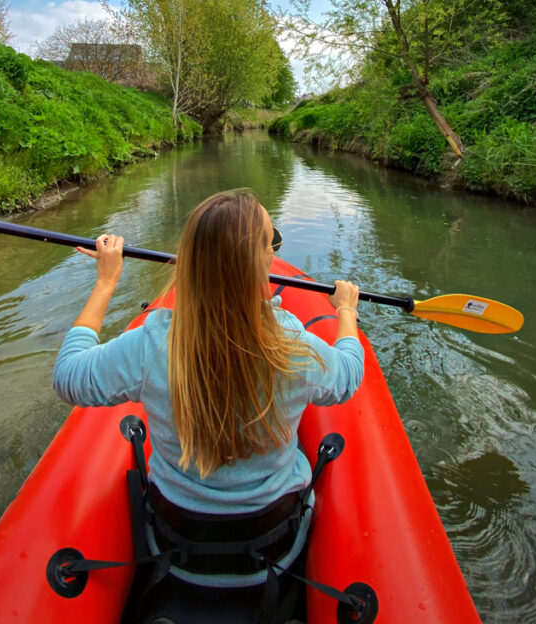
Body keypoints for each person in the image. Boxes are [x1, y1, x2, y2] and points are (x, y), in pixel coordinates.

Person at [52, 190, 364, 608]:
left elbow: (68, 375)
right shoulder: (290, 340)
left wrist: (106, 282)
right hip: (276, 548)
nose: (275, 252)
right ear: (261, 262)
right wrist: (345, 312)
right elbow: (347, 377)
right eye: (274, 243)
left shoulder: (152, 343)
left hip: (173, 544)